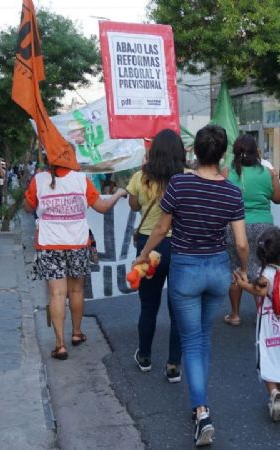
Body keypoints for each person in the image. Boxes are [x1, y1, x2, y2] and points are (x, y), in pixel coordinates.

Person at [134, 125, 249, 447]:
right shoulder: (231, 192)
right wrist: (242, 269)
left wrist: (143, 254)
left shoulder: (181, 183)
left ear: (194, 152)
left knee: (192, 342)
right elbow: (240, 242)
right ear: (222, 153)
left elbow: (160, 227)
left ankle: (202, 411)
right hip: (216, 272)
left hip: (187, 270)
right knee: (203, 339)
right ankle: (200, 404)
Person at [23, 163, 126, 361]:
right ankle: (77, 332)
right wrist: (119, 193)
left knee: (57, 293)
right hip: (77, 243)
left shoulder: (40, 179)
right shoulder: (81, 180)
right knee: (76, 291)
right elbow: (103, 208)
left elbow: (28, 207)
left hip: (49, 244)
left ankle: (60, 345)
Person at [126, 129, 183, 382]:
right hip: (181, 246)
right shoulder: (186, 177)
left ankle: (145, 356)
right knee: (178, 308)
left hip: (149, 247)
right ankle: (173, 364)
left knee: (148, 305)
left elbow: (134, 205)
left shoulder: (141, 177)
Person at [232, 228, 280, 422]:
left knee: (268, 359)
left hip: (270, 326)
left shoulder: (268, 273)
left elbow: (260, 291)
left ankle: (274, 393)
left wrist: (243, 283)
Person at [222, 134, 280, 326]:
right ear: (257, 152)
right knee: (263, 269)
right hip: (264, 228)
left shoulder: (227, 173)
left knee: (236, 269)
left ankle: (235, 314)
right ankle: (263, 313)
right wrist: (274, 179)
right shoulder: (267, 173)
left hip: (235, 227)